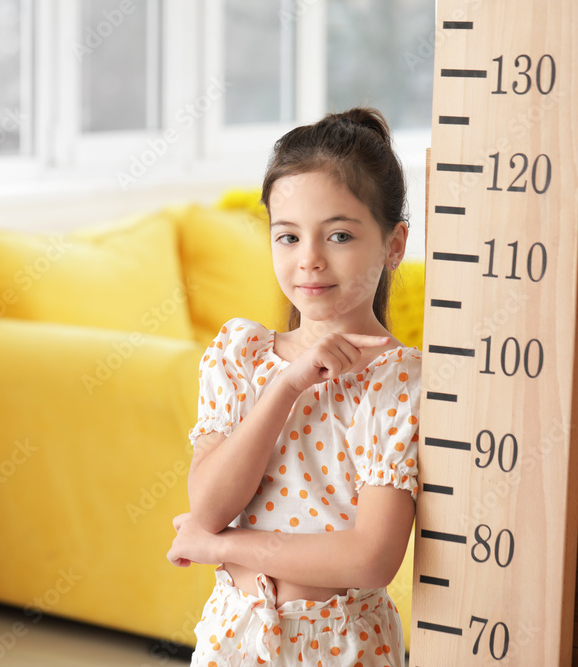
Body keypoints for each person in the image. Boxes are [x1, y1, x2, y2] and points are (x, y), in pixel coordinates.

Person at [167, 107, 421, 666]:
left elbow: (370, 558)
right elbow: (207, 506)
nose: (309, 259)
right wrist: (286, 387)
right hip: (233, 636)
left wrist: (220, 547)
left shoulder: (402, 381)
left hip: (344, 646)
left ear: (393, 244)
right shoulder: (240, 356)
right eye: (288, 236)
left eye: (339, 235)